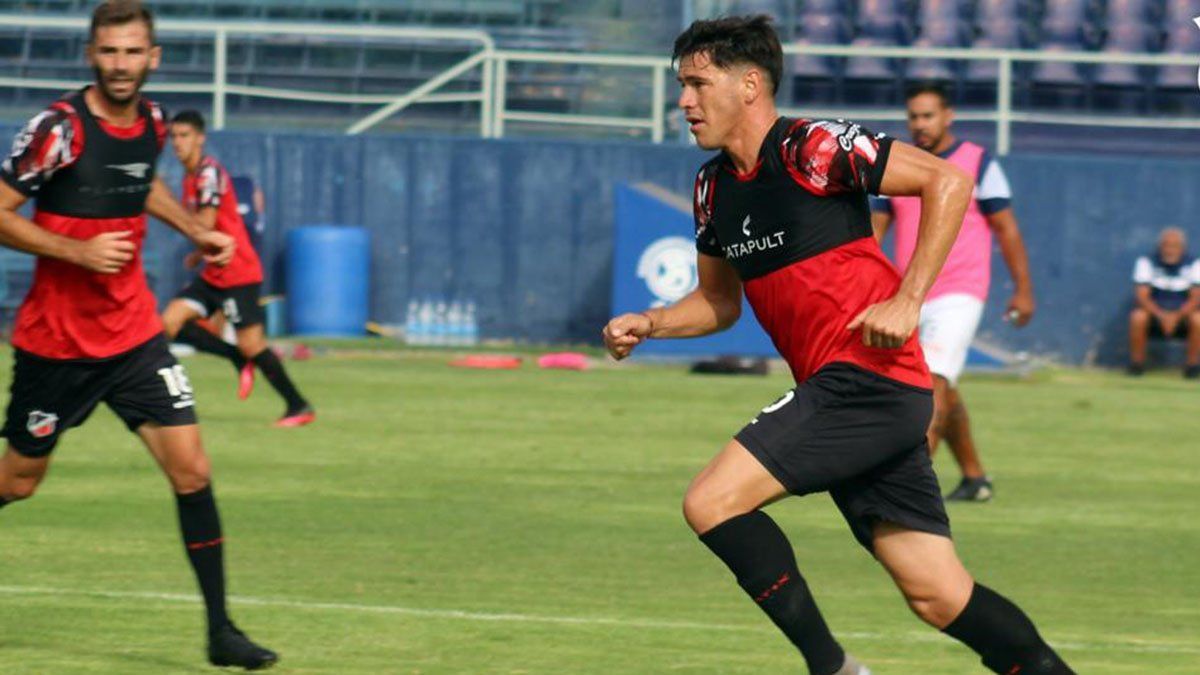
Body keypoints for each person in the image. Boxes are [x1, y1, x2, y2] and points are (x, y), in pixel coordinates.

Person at [602, 16, 1073, 675]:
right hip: (851, 396)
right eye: (681, 85)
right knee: (939, 595)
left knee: (711, 501)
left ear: (749, 84)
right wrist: (651, 322)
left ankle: (834, 668)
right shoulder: (712, 187)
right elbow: (718, 302)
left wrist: (909, 299)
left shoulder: (813, 147)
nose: (683, 101)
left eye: (697, 84)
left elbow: (948, 181)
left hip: (867, 381)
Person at [0, 2, 277, 669]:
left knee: (193, 471)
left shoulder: (153, 121)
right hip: (58, 345)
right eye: (109, 51)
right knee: (19, 481)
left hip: (133, 337)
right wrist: (78, 252)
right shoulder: (58, 129)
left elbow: (141, 181)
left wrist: (196, 229)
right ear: (90, 55)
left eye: (132, 52)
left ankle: (220, 632)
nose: (120, 65)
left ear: (153, 58)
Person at [871, 82, 1035, 502]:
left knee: (931, 387)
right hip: (909, 294)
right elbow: (875, 231)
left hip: (960, 292)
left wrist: (1022, 289)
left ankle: (908, 494)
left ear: (948, 116)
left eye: (928, 115)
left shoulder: (978, 162)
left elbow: (1007, 229)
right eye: (913, 116)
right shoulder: (897, 164)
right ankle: (975, 478)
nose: (920, 124)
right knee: (943, 388)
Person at [162, 109, 314, 427]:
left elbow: (205, 224)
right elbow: (209, 228)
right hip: (213, 271)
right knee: (170, 323)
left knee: (253, 345)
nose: (177, 142)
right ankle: (234, 358)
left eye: (184, 135)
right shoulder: (190, 178)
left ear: (200, 138)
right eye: (173, 136)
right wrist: (198, 254)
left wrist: (173, 217)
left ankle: (298, 405)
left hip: (237, 272)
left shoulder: (208, 173)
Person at [1128, 227, 1200, 377]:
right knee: (1138, 317)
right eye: (1166, 245)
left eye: (1174, 246)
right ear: (1159, 246)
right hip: (1154, 315)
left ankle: (1192, 367)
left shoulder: (1195, 264)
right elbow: (1142, 296)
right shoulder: (1146, 262)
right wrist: (1162, 316)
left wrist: (1176, 317)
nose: (1169, 250)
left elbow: (1195, 298)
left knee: (1198, 319)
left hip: (1182, 317)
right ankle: (1137, 365)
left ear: (1183, 248)